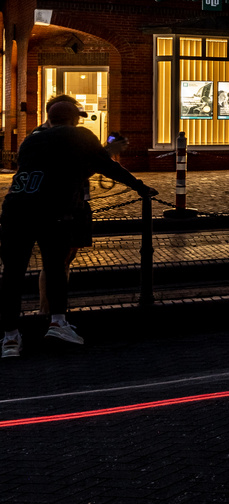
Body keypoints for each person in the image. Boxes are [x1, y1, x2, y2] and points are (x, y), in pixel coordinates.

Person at [2, 95, 157, 357]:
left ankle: (10, 338)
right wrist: (141, 188)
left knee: (12, 275)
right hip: (53, 211)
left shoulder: (31, 139)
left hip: (15, 209)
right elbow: (108, 167)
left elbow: (61, 168)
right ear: (74, 119)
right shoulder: (80, 135)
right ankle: (57, 323)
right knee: (54, 267)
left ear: (50, 118)